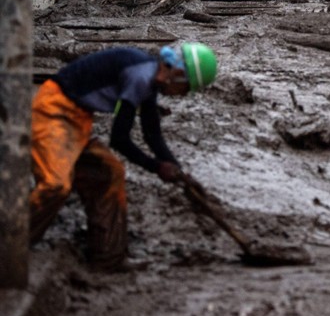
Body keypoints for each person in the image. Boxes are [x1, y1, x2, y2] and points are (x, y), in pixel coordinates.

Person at [29, 42, 218, 270]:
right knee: (55, 185)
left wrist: (178, 170)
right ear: (177, 75)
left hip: (77, 119)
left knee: (109, 173)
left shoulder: (149, 75)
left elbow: (152, 133)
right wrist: (157, 167)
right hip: (52, 111)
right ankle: (12, 242)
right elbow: (119, 139)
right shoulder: (139, 77)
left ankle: (108, 259)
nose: (182, 95)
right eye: (186, 88)